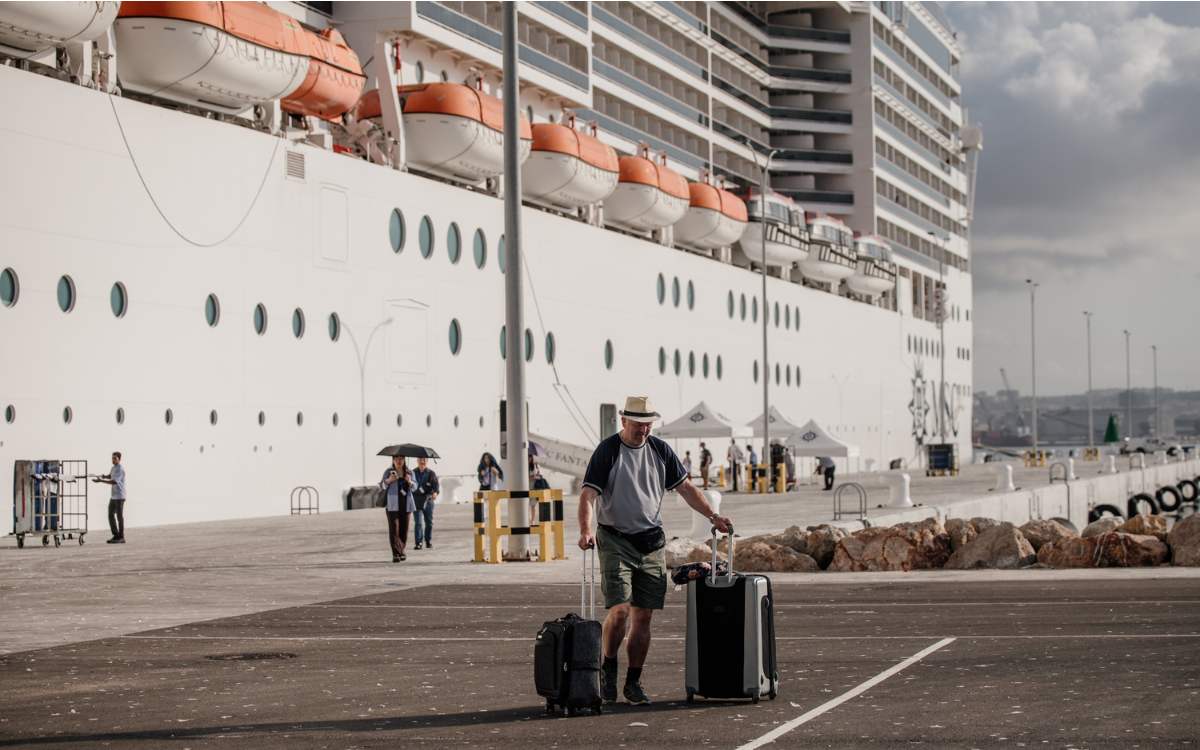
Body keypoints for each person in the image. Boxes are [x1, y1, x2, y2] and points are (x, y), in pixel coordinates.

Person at [578, 396, 732, 707]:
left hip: (650, 542)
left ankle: (633, 682)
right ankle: (609, 664)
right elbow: (588, 495)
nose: (644, 430)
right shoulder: (608, 451)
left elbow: (686, 488)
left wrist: (712, 517)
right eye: (638, 424)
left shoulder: (660, 450)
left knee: (644, 616)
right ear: (624, 422)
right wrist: (584, 529)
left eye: (648, 424)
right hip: (615, 539)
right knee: (620, 611)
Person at [380, 455, 415, 562]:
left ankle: (401, 549)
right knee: (394, 528)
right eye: (396, 459)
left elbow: (415, 487)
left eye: (400, 459)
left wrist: (410, 481)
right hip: (392, 504)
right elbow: (382, 485)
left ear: (404, 460)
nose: (398, 461)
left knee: (404, 529)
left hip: (406, 503)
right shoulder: (388, 471)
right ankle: (396, 552)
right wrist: (389, 480)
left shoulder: (409, 472)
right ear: (393, 460)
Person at [95, 452, 126, 544]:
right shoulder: (113, 468)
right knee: (110, 515)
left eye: (115, 458)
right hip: (113, 496)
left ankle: (121, 536)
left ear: (119, 459)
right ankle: (115, 535)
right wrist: (104, 476)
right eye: (112, 458)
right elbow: (111, 476)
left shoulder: (120, 469)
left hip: (120, 496)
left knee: (119, 516)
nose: (113, 460)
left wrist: (102, 481)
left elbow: (114, 481)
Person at [411, 457, 439, 550]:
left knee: (429, 521)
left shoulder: (431, 473)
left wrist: (435, 493)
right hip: (417, 499)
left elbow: (436, 487)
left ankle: (428, 540)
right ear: (417, 461)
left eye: (424, 460)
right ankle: (418, 542)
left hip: (428, 499)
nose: (422, 462)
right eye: (420, 459)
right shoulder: (413, 473)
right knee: (418, 521)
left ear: (427, 461)